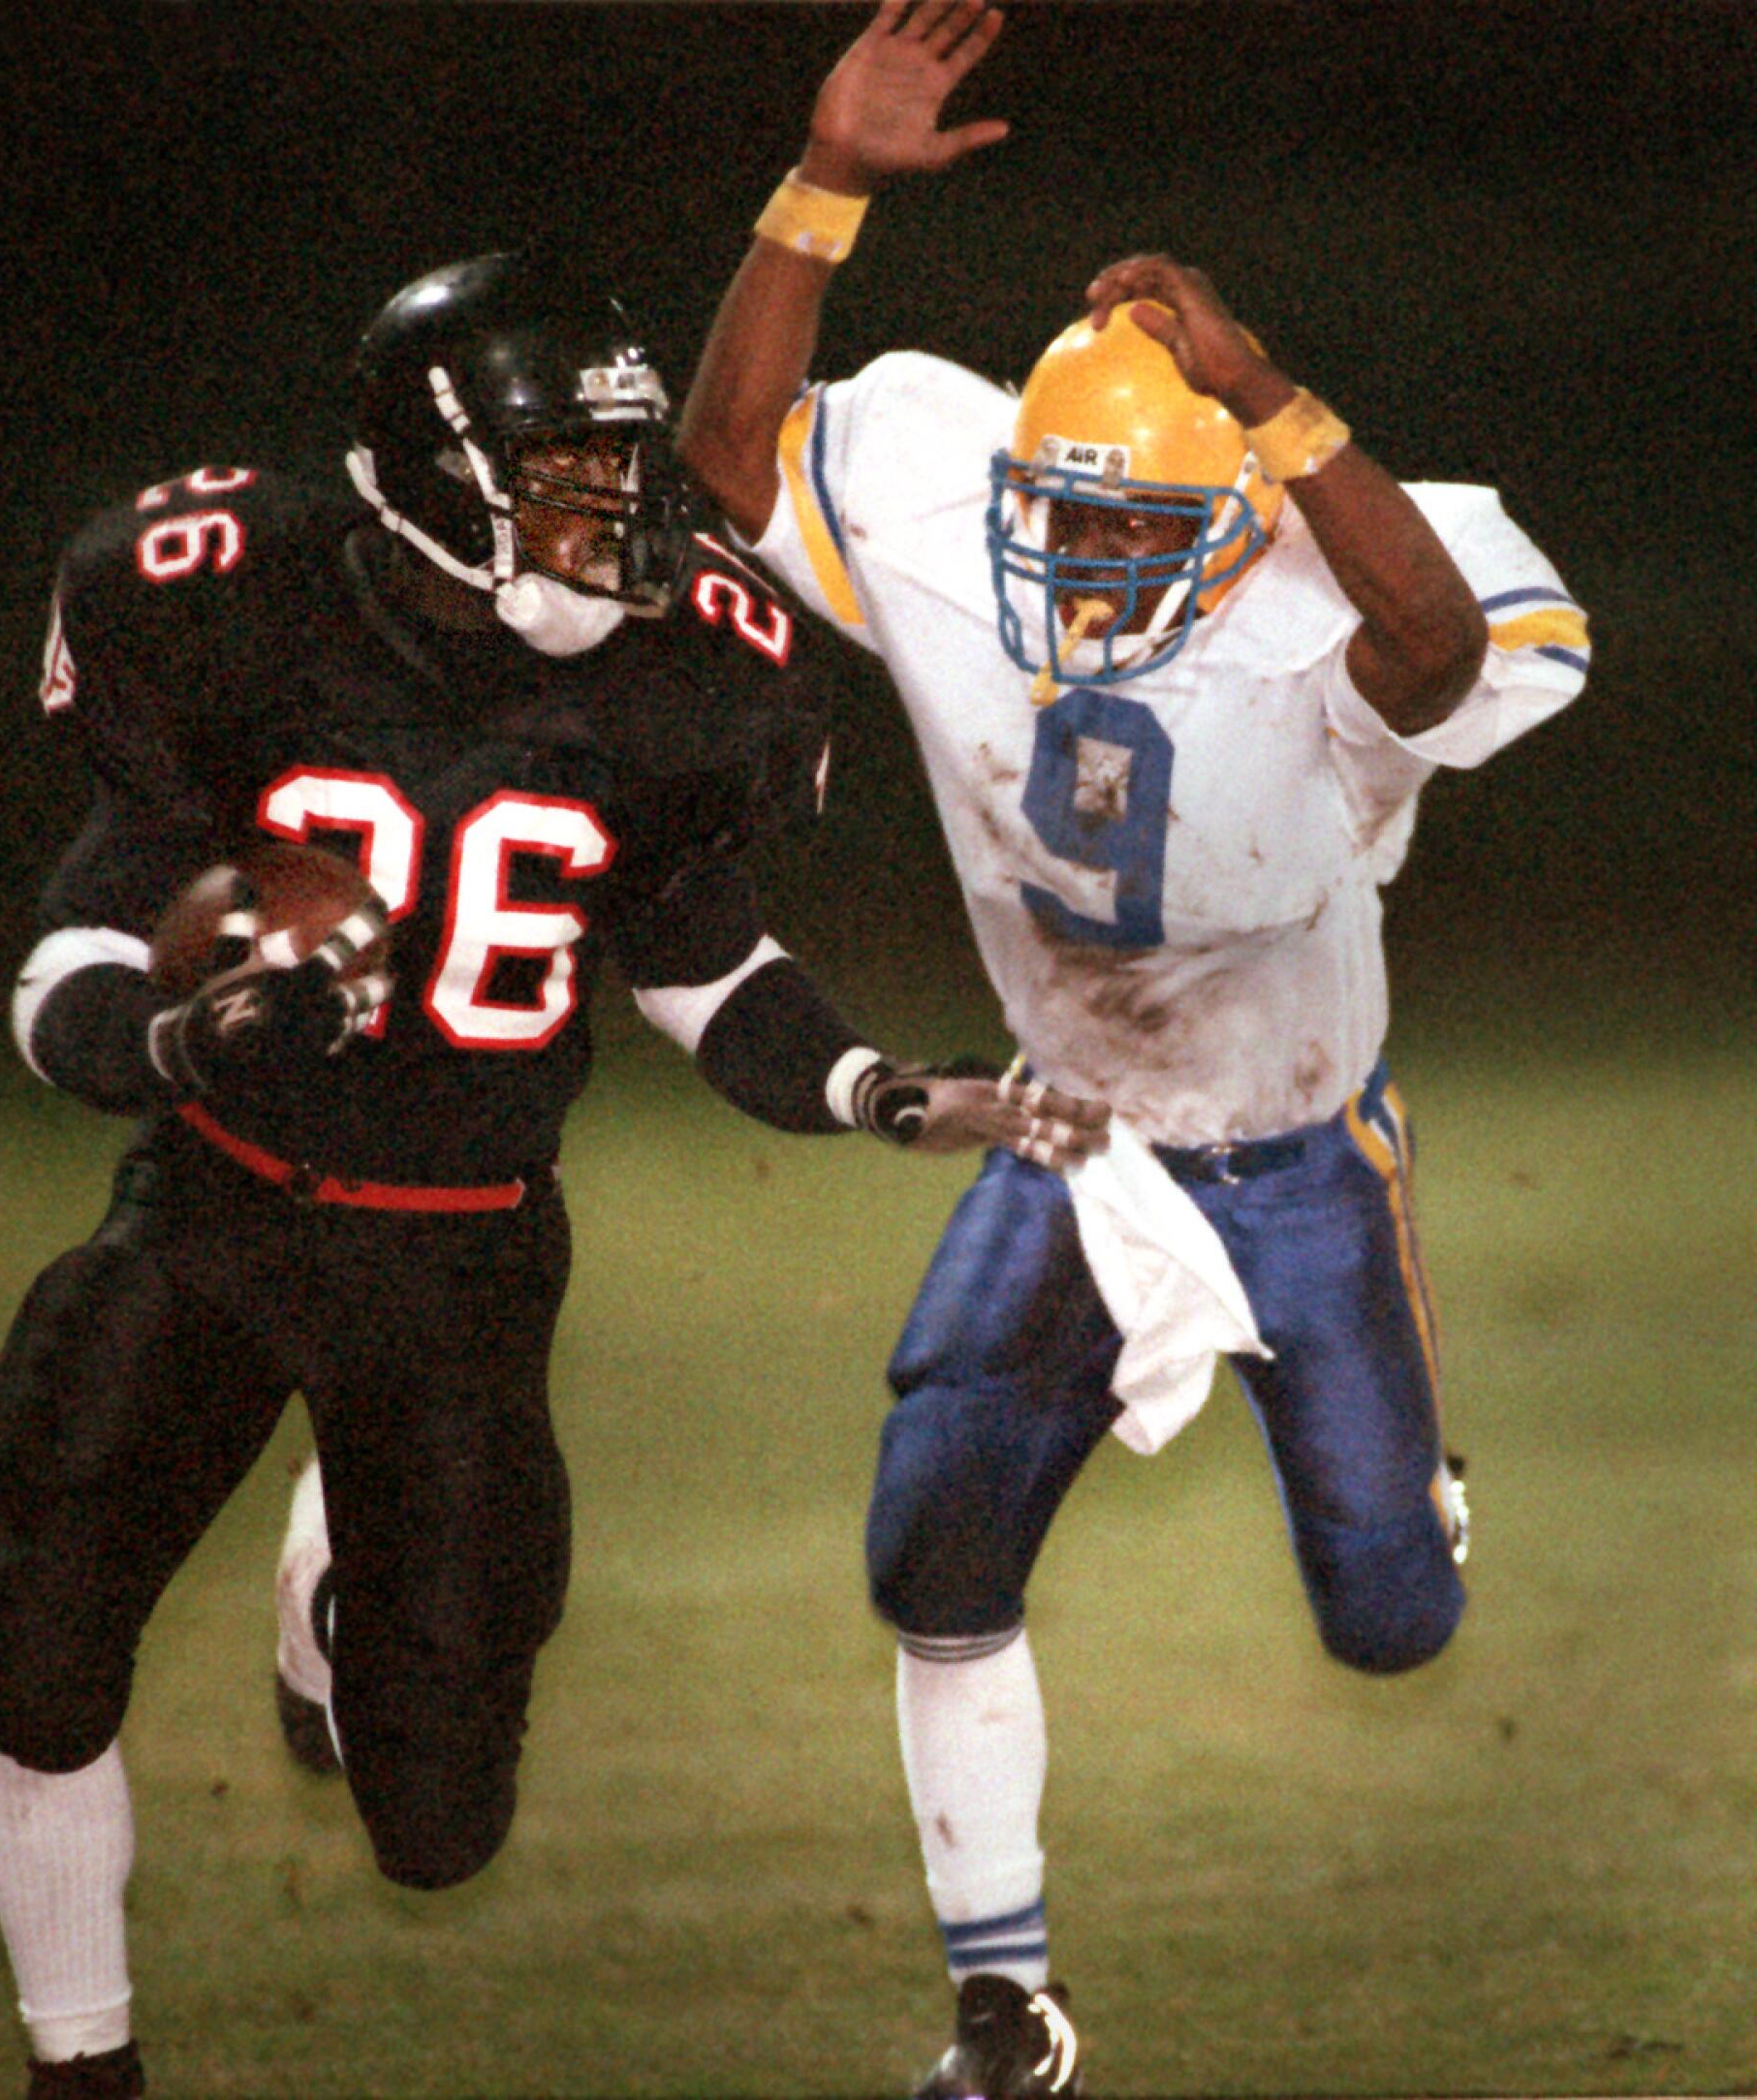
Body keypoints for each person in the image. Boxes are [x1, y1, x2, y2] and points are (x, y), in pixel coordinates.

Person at [0, 247, 1111, 2100]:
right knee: (49, 1620)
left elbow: (699, 955)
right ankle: (76, 2064)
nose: (626, 518)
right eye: (576, 480)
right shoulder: (227, 604)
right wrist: (175, 1043)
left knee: (439, 1831)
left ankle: (331, 1570)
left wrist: (873, 1088)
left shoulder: (681, 682)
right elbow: (68, 963)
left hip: (467, 1254)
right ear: (437, 481)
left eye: (628, 469)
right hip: (221, 1208)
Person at [675, 3, 1592, 2093]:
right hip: (1073, 1134)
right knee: (928, 1552)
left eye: (1125, 530)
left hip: (1288, 1148)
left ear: (1236, 511)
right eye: (1056, 520)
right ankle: (1004, 2005)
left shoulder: (1318, 586)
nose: (1077, 564)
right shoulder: (937, 511)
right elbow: (733, 460)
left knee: (1388, 1624)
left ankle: (1406, 1481)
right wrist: (819, 190)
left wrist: (1263, 390)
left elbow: (1442, 650)